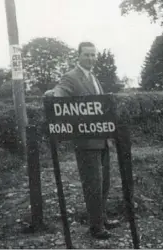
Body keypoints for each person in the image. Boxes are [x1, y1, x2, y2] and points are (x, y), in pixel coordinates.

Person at [49, 41, 119, 240]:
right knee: (92, 184)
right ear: (78, 56)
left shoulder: (94, 77)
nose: (91, 58)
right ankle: (95, 227)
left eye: (93, 55)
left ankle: (102, 218)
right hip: (86, 143)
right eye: (86, 55)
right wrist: (51, 94)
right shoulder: (70, 77)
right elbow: (59, 95)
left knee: (104, 183)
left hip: (103, 140)